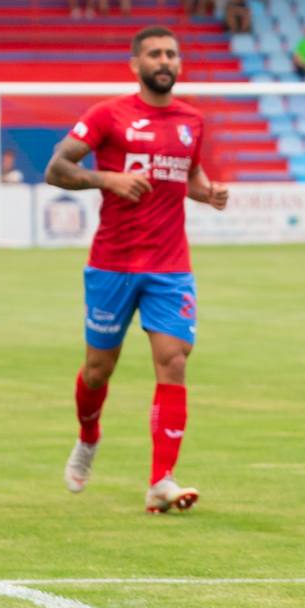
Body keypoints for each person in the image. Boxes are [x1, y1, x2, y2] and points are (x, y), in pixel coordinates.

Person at [46, 26, 228, 513]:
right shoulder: (108, 115)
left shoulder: (192, 120)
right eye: (154, 54)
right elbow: (57, 167)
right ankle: (88, 438)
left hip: (170, 267)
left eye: (171, 53)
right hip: (112, 264)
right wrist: (107, 177)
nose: (164, 60)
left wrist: (207, 192)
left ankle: (160, 481)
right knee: (98, 369)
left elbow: (186, 176)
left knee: (174, 360)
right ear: (135, 64)